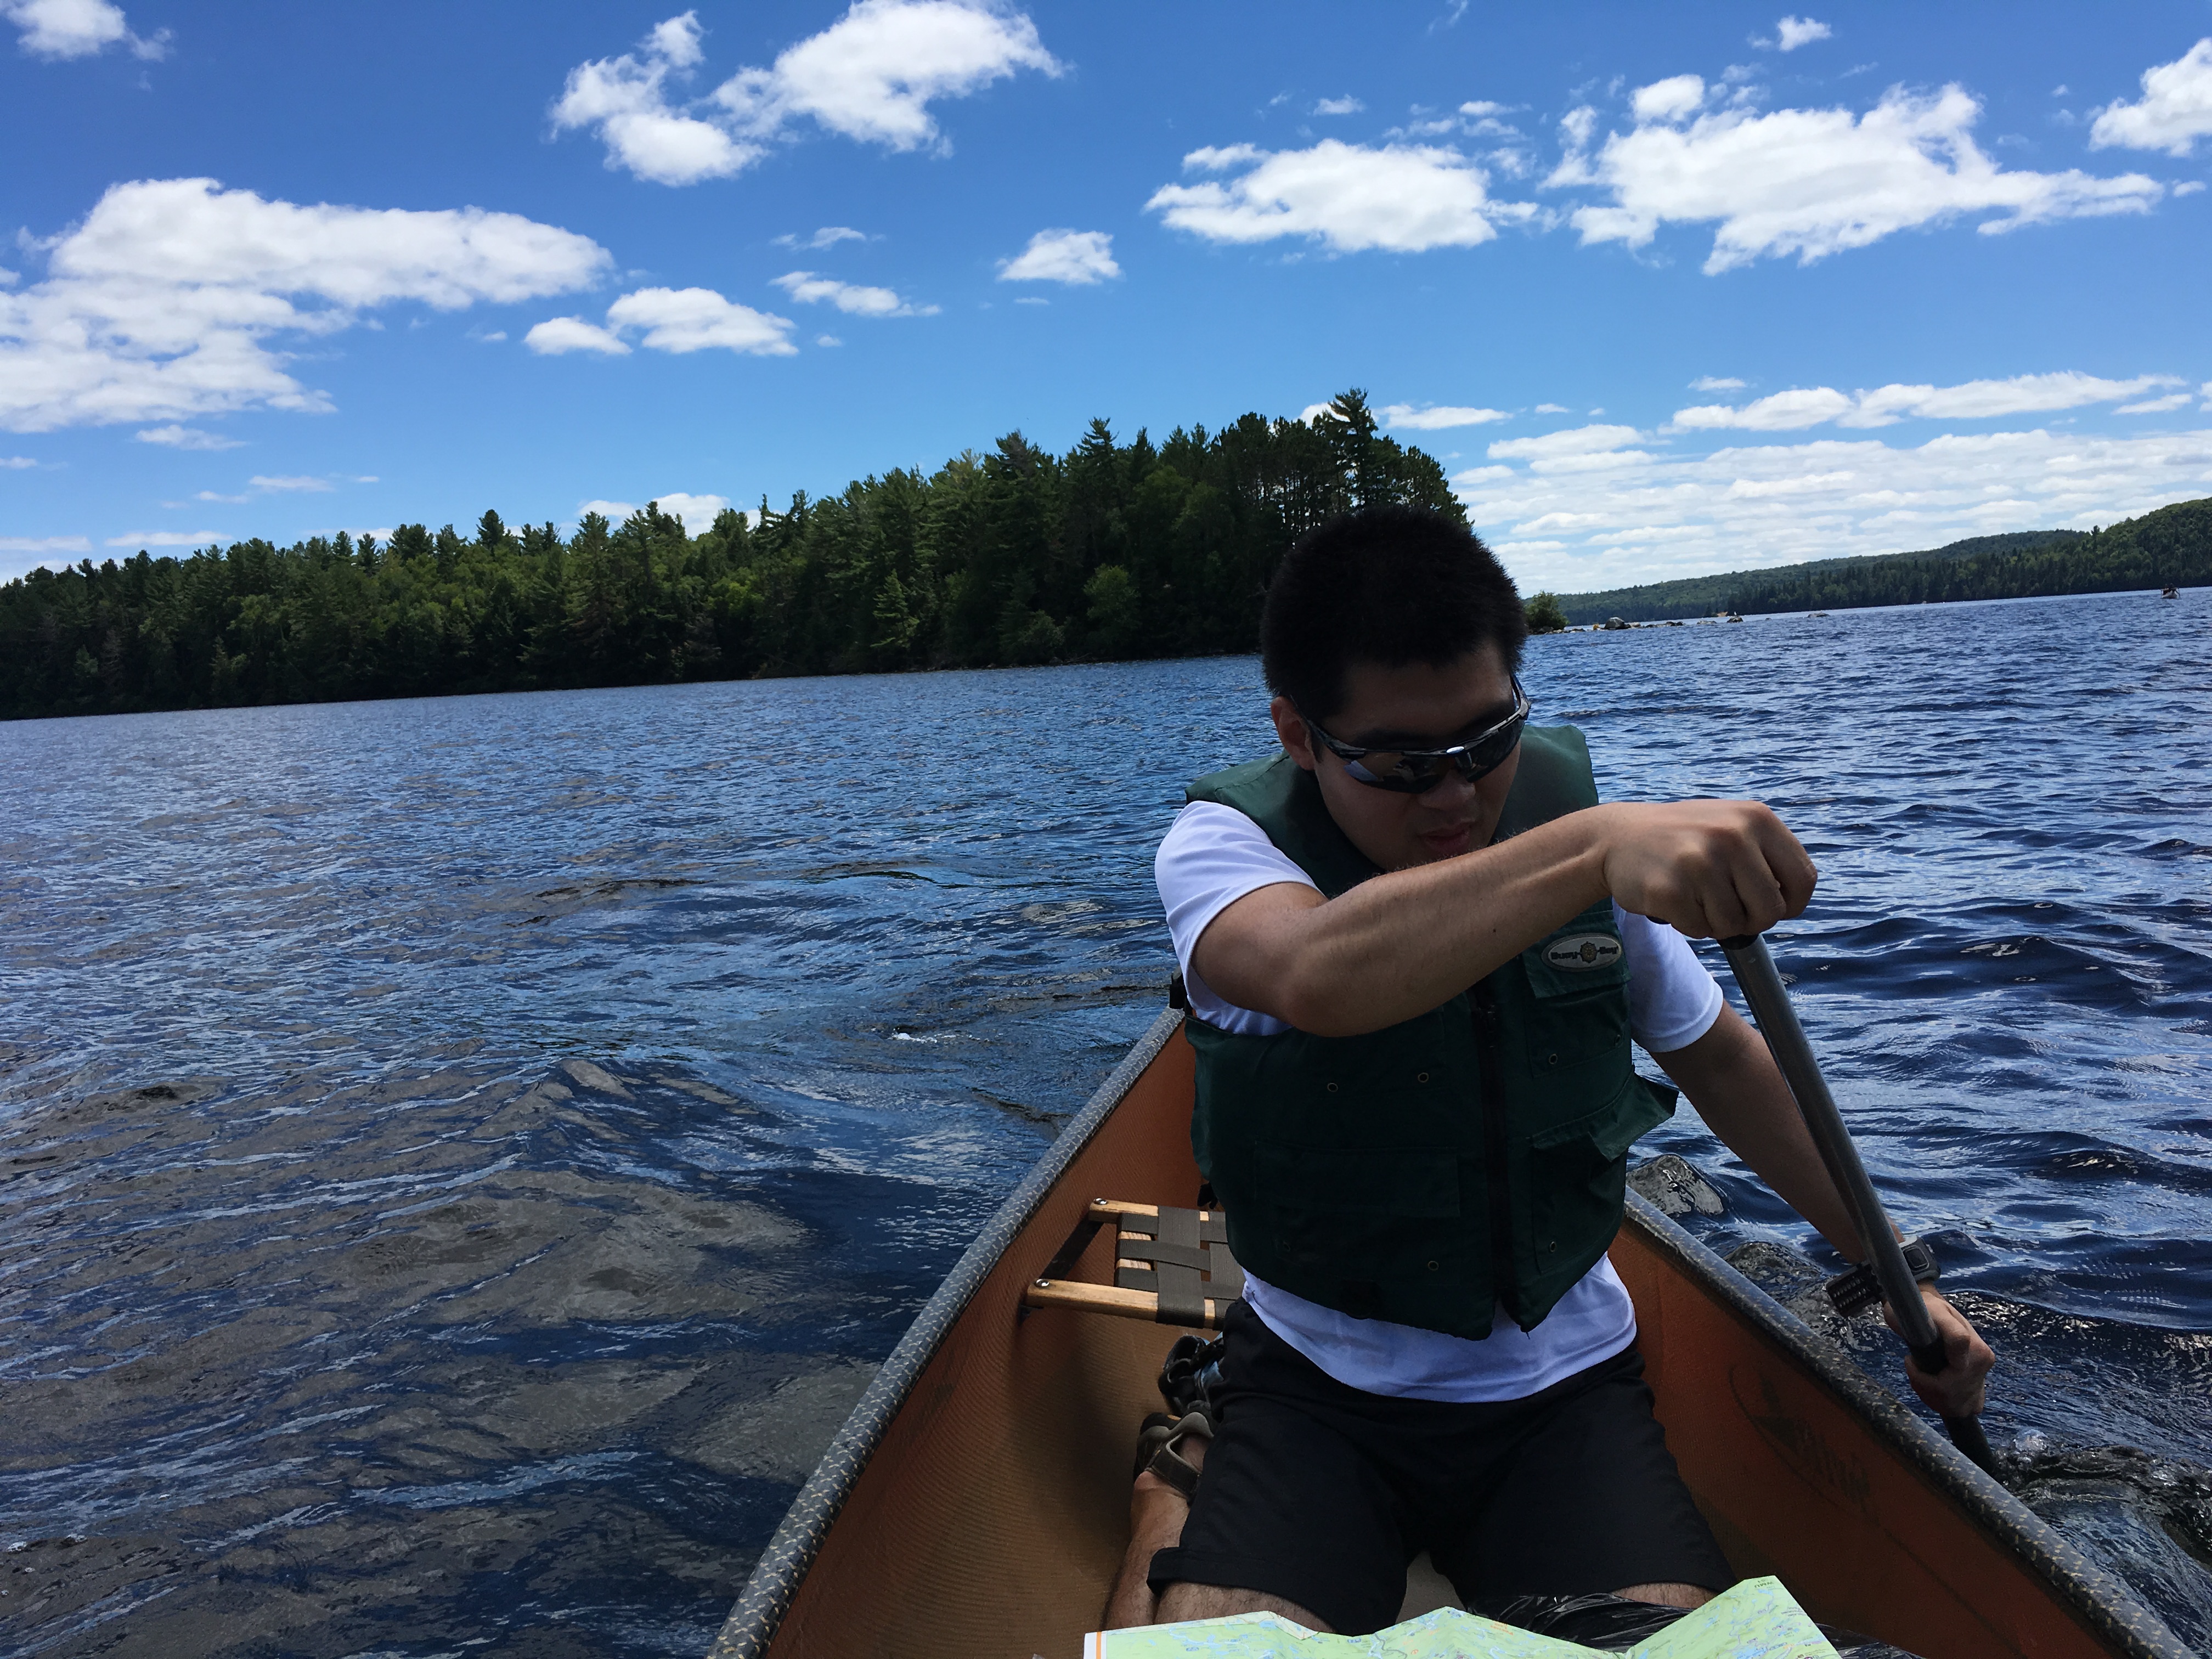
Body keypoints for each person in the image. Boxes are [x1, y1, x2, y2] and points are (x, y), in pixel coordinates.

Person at [1105, 505, 1995, 1636]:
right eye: (1401, 762)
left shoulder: (1570, 835)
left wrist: (1893, 1271)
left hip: (1563, 1395)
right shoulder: (1228, 849)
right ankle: (1174, 1485)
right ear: (1297, 732)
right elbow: (1314, 974)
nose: (1458, 796)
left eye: (1487, 742)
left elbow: (1724, 1065)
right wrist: (1596, 849)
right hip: (1311, 1380)